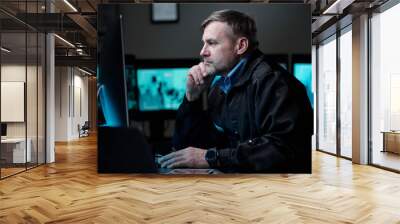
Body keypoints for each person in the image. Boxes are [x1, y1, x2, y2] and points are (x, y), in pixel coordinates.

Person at [159, 9, 313, 173]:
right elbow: (189, 150)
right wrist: (192, 99)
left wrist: (212, 157)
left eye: (212, 43)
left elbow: (281, 149)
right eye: (203, 43)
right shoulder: (218, 89)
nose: (202, 51)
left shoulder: (274, 83)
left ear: (240, 46)